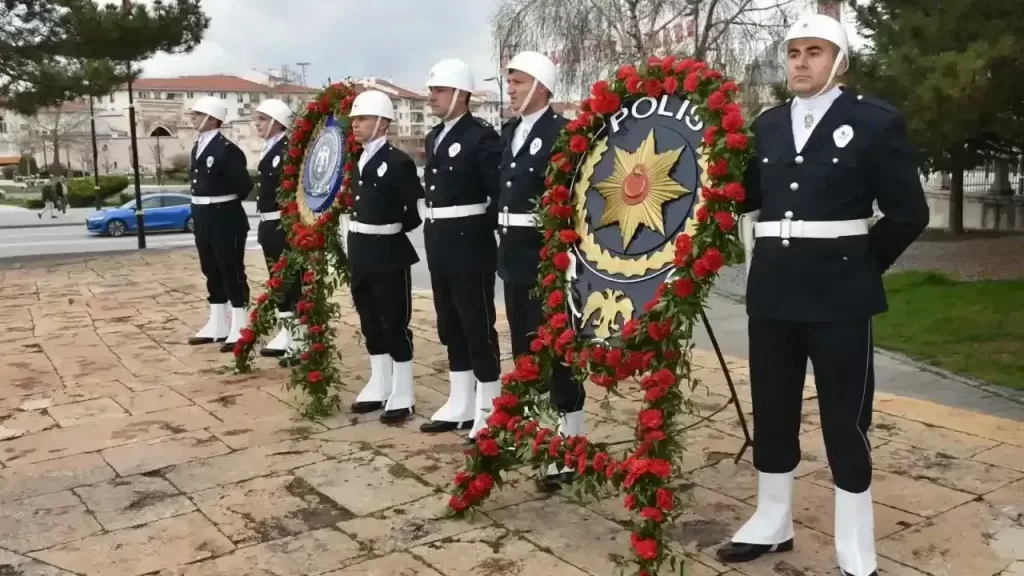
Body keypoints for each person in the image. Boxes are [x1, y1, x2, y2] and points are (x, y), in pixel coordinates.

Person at [716, 14, 929, 576]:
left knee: (844, 417)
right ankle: (772, 518)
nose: (801, 62)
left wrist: (860, 266)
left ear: (840, 62)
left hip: (840, 294)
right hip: (774, 289)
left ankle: (855, 543)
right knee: (774, 407)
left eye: (814, 51)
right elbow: (747, 196)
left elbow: (910, 212)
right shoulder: (767, 126)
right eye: (793, 52)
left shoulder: (873, 122)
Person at [496, 51, 584, 491]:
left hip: (548, 258)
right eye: (508, 82)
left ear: (541, 87)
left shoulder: (563, 133)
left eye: (517, 81)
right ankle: (541, 435)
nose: (509, 89)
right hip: (513, 255)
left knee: (558, 353)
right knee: (525, 348)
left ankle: (571, 443)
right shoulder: (509, 132)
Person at [418, 58, 503, 437]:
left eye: (438, 91)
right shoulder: (435, 136)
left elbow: (498, 194)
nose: (432, 97)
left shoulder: (480, 136)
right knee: (449, 321)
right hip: (440, 238)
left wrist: (479, 234)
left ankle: (489, 403)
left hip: (470, 242)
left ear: (459, 94)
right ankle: (459, 400)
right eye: (432, 91)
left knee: (477, 322)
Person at [346, 90, 424, 424]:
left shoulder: (398, 162)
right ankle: (380, 382)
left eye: (361, 119)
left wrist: (385, 228)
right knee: (369, 321)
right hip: (361, 249)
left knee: (394, 322)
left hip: (388, 251)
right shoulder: (357, 160)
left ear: (381, 122)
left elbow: (411, 214)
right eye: (354, 120)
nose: (356, 125)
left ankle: (403, 390)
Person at [184, 96, 254, 352]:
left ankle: (240, 323)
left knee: (231, 270)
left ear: (212, 119)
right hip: (203, 215)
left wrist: (220, 200)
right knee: (210, 268)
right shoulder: (198, 146)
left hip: (225, 216)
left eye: (197, 114)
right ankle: (217, 323)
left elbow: (244, 186)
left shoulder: (227, 149)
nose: (192, 118)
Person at [252, 98, 303, 359]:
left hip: (284, 224)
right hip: (270, 222)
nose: (256, 124)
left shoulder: (287, 149)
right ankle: (288, 332)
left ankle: (299, 337)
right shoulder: (270, 149)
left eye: (262, 119)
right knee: (278, 281)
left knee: (290, 281)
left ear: (276, 122)